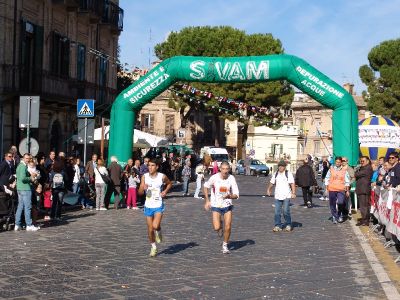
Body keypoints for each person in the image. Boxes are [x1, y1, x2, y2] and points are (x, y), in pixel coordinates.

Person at [138, 158, 172, 257]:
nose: (150, 167)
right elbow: (139, 193)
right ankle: (153, 247)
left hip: (158, 204)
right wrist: (142, 188)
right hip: (148, 205)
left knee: (155, 226)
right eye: (149, 165)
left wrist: (165, 192)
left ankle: (159, 231)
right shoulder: (144, 177)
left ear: (157, 167)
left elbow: (169, 184)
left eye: (152, 165)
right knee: (150, 229)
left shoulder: (162, 176)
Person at [203, 161, 239, 254]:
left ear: (229, 169)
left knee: (228, 227)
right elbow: (206, 186)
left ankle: (225, 245)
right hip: (216, 205)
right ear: (220, 169)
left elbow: (236, 194)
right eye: (223, 169)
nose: (225, 171)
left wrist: (229, 196)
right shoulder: (214, 178)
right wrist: (207, 200)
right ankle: (220, 226)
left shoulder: (231, 178)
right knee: (216, 227)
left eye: (227, 169)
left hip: (227, 205)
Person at [267, 160, 296, 232]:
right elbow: (272, 182)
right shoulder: (276, 174)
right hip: (277, 195)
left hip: (286, 195)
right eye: (279, 166)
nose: (280, 167)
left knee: (285, 211)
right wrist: (268, 189)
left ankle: (288, 224)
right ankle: (278, 225)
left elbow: (292, 183)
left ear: (285, 167)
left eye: (282, 166)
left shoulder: (288, 174)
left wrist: (293, 193)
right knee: (277, 212)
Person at [15, 153, 40, 231]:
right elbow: (23, 178)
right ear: (23, 158)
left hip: (19, 188)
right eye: (26, 158)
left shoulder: (19, 166)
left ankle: (17, 224)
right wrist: (30, 178)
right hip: (25, 189)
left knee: (20, 207)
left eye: (29, 159)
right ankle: (29, 225)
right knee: (27, 207)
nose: (28, 160)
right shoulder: (22, 166)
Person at [325, 157, 350, 224]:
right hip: (332, 189)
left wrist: (347, 190)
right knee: (332, 204)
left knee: (341, 202)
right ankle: (335, 216)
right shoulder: (331, 169)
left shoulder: (344, 170)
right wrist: (326, 188)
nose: (338, 163)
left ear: (341, 162)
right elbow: (327, 178)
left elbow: (347, 181)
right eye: (336, 162)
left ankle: (339, 214)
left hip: (341, 189)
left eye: (339, 162)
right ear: (335, 162)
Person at [355, 156, 373, 226]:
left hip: (364, 189)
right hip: (361, 189)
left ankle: (365, 220)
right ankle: (364, 219)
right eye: (361, 161)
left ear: (368, 161)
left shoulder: (367, 168)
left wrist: (357, 171)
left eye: (363, 161)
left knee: (364, 206)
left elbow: (356, 174)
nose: (361, 162)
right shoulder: (363, 168)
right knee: (363, 206)